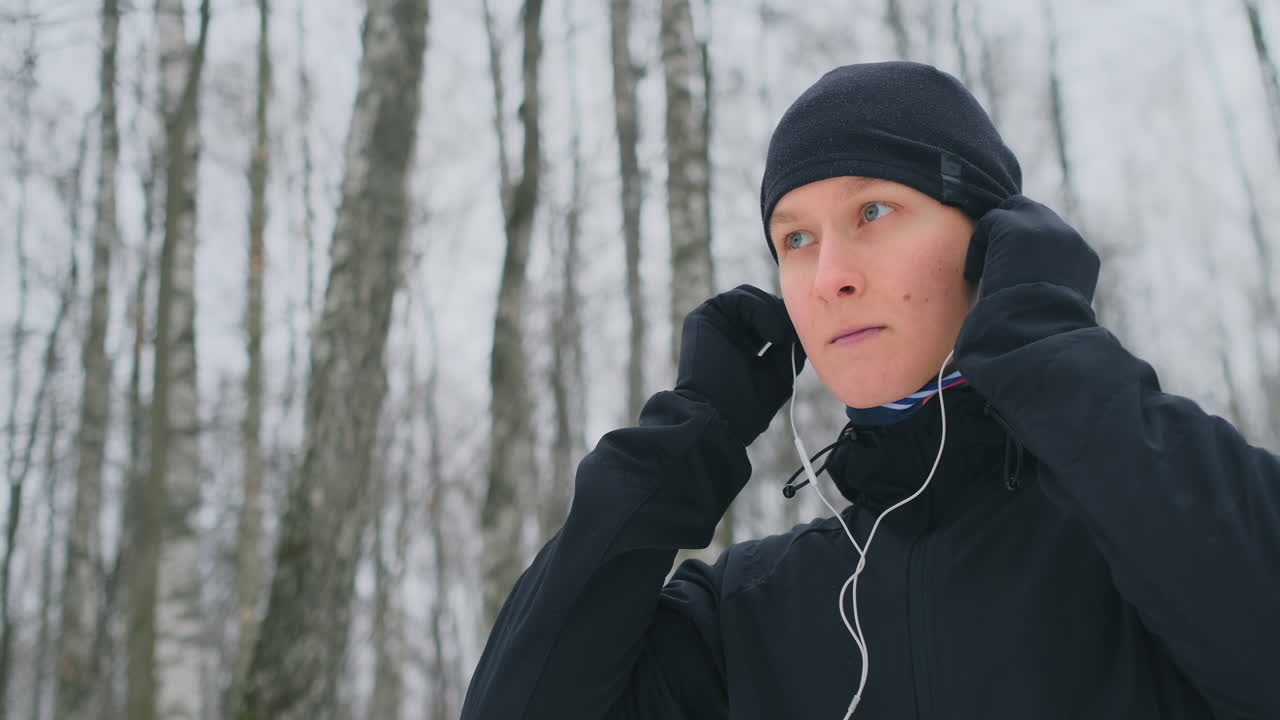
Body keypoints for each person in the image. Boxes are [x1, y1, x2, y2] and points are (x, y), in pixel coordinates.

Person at [459, 61, 1280, 719]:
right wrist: (687, 437)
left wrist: (1049, 349)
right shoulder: (744, 617)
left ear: (993, 242)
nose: (830, 278)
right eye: (797, 238)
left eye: (874, 212)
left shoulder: (1153, 532)